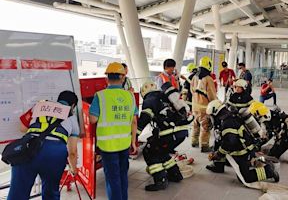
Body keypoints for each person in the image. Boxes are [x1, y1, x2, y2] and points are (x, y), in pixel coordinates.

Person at [8, 91, 79, 200]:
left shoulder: (39, 106)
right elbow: (72, 152)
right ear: (73, 105)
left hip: (28, 148)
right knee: (51, 193)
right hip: (54, 153)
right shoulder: (72, 117)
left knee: (17, 194)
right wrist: (73, 169)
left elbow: (22, 128)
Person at [89, 62, 138, 200]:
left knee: (112, 179)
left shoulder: (100, 96)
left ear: (106, 78)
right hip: (124, 143)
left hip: (108, 146)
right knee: (123, 176)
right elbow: (134, 121)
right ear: (123, 78)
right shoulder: (130, 96)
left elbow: (92, 119)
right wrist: (133, 141)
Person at [205, 100, 279, 183]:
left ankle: (269, 171)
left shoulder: (227, 123)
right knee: (219, 144)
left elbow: (229, 143)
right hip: (243, 147)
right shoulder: (229, 115)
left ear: (215, 112)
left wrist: (218, 154)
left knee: (245, 178)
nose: (211, 118)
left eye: (211, 116)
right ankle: (218, 166)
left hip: (244, 153)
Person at [137, 81, 192, 191]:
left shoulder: (149, 99)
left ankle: (160, 180)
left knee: (149, 151)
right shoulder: (165, 96)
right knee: (161, 151)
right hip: (182, 131)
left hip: (169, 133)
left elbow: (144, 119)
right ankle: (175, 174)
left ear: (143, 93)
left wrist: (134, 136)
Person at [191, 56, 217, 152]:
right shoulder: (208, 78)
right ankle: (204, 146)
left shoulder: (194, 77)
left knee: (195, 124)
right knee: (205, 127)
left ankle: (194, 141)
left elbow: (191, 91)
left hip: (195, 106)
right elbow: (211, 94)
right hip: (204, 107)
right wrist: (216, 104)